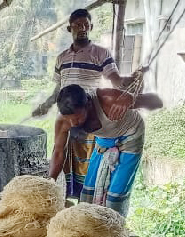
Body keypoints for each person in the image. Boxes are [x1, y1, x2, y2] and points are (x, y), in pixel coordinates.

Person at [33, 8, 139, 200]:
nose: (82, 28)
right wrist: (47, 105)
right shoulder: (62, 58)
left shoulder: (100, 53)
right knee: (62, 155)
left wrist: (128, 82)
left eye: (86, 25)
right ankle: (67, 198)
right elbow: (58, 89)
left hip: (89, 113)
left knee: (91, 165)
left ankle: (91, 203)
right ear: (69, 29)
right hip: (67, 113)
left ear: (91, 27)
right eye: (77, 25)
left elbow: (115, 80)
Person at [49, 84, 162, 216]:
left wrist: (131, 99)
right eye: (70, 120)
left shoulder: (109, 99)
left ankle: (114, 229)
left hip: (131, 134)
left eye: (78, 118)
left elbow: (157, 101)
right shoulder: (64, 120)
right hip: (105, 139)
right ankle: (89, 225)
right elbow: (58, 152)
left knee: (116, 193)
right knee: (89, 189)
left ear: (89, 105)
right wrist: (50, 182)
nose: (73, 124)